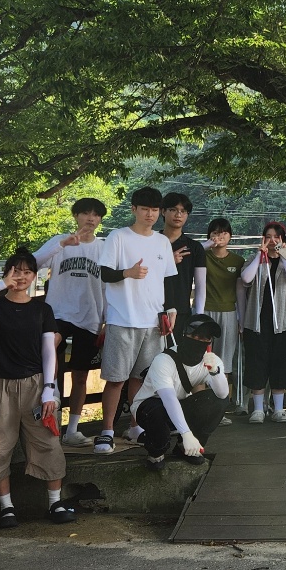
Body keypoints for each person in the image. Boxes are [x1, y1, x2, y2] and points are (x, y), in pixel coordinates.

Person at [0, 247, 75, 528]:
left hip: (34, 384)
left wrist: (49, 389)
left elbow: (48, 350)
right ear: (7, 272)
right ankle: (7, 508)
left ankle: (55, 502)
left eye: (27, 272)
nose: (21, 276)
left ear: (35, 276)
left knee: (47, 440)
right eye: (15, 270)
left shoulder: (42, 308)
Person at [96, 186, 178, 454]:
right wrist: (128, 273)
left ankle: (135, 427)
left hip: (154, 322)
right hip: (123, 318)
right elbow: (104, 273)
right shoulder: (118, 237)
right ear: (134, 209)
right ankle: (107, 430)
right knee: (116, 379)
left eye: (155, 210)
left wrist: (171, 309)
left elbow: (168, 280)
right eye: (145, 209)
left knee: (142, 380)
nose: (150, 214)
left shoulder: (162, 241)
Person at [29, 197, 106, 447]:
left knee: (81, 375)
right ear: (76, 216)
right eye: (85, 213)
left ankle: (73, 430)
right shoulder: (59, 241)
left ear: (100, 219)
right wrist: (62, 244)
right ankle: (52, 423)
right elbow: (34, 264)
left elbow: (112, 285)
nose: (90, 218)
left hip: (90, 316)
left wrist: (106, 320)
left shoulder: (103, 248)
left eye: (96, 214)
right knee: (51, 367)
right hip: (58, 313)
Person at [131, 314, 230, 471]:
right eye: (196, 335)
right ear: (185, 335)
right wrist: (186, 433)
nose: (200, 341)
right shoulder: (163, 360)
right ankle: (156, 451)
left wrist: (215, 371)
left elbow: (223, 395)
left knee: (217, 402)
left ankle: (186, 448)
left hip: (181, 404)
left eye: (206, 338)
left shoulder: (211, 360)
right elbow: (168, 398)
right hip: (150, 406)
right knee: (158, 412)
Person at [239, 221, 286, 423]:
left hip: (282, 322)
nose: (272, 240)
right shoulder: (253, 259)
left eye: (276, 236)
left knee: (280, 363)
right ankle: (258, 409)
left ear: (283, 239)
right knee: (257, 362)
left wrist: (283, 254)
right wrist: (260, 255)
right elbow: (246, 279)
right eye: (268, 236)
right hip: (256, 321)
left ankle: (279, 409)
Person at [200, 218, 245, 423]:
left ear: (230, 236)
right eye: (215, 233)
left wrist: (241, 319)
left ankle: (220, 411)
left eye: (224, 233)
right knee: (203, 362)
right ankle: (204, 408)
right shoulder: (203, 255)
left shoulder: (237, 261)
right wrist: (208, 244)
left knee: (224, 364)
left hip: (229, 313)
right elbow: (192, 253)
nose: (220, 236)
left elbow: (240, 293)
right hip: (205, 312)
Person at [160, 192, 208, 319]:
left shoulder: (195, 248)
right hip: (151, 309)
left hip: (181, 311)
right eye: (173, 210)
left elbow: (200, 285)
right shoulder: (151, 242)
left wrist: (199, 315)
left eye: (183, 211)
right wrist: (169, 261)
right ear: (163, 212)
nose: (178, 215)